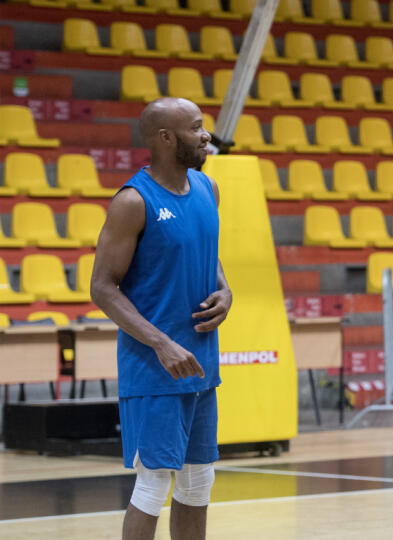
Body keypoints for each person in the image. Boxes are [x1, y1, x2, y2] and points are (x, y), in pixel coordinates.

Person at [90, 97, 232, 540]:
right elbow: (102, 287)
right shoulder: (133, 201)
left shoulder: (208, 189)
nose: (206, 135)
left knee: (197, 483)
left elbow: (206, 253)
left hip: (201, 365)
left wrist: (226, 291)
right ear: (166, 139)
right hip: (155, 369)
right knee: (152, 485)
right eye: (196, 127)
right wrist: (161, 343)